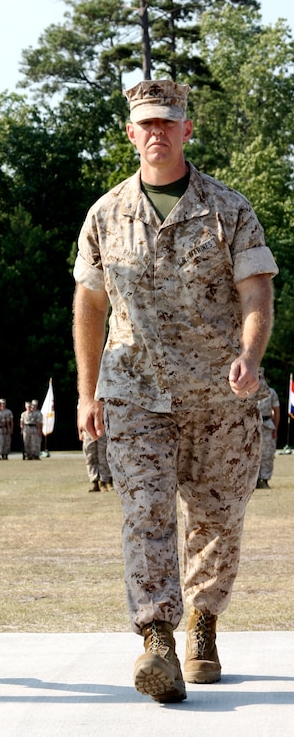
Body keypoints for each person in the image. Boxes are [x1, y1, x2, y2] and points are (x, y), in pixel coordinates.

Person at [73, 79, 277, 704]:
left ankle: (204, 623)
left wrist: (249, 355)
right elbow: (89, 303)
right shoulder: (106, 215)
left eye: (168, 122)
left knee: (218, 519)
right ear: (131, 133)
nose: (157, 132)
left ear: (188, 130)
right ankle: (158, 639)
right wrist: (86, 394)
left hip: (220, 397)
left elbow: (257, 293)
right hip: (136, 393)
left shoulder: (229, 209)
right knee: (147, 514)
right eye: (146, 123)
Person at [256, 385, 280, 488]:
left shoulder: (271, 392)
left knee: (268, 454)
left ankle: (265, 480)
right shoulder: (248, 390)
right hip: (253, 425)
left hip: (267, 425)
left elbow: (277, 410)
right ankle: (254, 481)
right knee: (252, 454)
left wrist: (275, 428)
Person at [82, 428, 112, 492]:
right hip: (88, 428)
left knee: (104, 456)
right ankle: (94, 482)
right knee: (90, 458)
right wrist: (80, 431)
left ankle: (104, 482)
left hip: (102, 428)